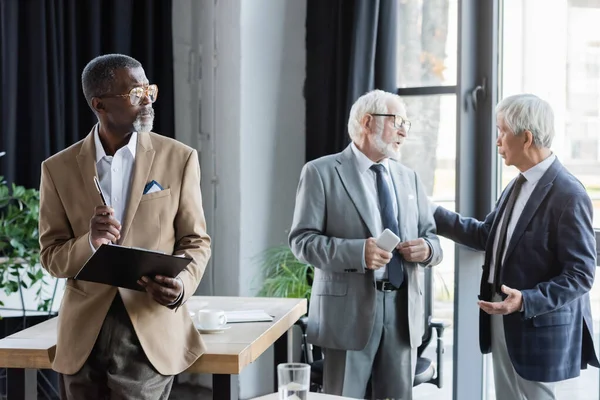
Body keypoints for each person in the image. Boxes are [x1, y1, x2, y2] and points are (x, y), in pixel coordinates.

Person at [38, 54, 212, 400]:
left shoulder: (179, 158)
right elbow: (51, 257)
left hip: (149, 329)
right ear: (99, 104)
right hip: (82, 339)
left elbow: (196, 241)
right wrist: (90, 241)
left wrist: (180, 285)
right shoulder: (56, 169)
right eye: (135, 93)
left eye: (149, 89)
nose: (146, 99)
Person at [434, 94, 599, 399]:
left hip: (538, 326)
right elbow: (487, 235)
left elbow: (581, 274)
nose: (497, 141)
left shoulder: (569, 194)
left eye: (501, 131)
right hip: (502, 317)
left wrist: (526, 300)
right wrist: (431, 214)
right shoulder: (517, 183)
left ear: (526, 138)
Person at [288, 89, 442, 399]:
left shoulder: (409, 177)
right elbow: (302, 242)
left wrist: (427, 250)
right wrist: (358, 252)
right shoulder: (321, 172)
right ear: (367, 122)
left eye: (406, 124)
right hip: (347, 316)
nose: (403, 131)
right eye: (396, 121)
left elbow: (432, 238)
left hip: (403, 315)